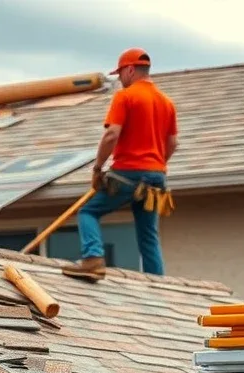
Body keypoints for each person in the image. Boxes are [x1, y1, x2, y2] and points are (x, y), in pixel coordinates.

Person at [61, 47, 178, 282]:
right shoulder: (166, 102)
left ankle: (93, 259)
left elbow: (111, 135)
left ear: (130, 70)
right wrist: (154, 165)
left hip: (128, 172)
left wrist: (98, 168)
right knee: (148, 234)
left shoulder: (125, 97)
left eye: (121, 74)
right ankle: (158, 283)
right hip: (156, 177)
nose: (120, 79)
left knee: (88, 212)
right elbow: (173, 143)